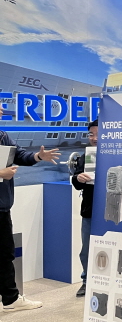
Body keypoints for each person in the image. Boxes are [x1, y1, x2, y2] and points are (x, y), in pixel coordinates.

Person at [0, 108, 60, 313]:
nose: (1, 110)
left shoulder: (2, 136)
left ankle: (10, 299)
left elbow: (19, 154)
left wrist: (38, 156)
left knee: (4, 254)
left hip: (1, 207)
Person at [70, 120, 98, 297]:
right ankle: (86, 281)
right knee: (87, 249)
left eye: (98, 134)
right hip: (89, 211)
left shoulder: (119, 156)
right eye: (91, 134)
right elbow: (76, 182)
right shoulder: (86, 156)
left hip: (113, 211)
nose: (94, 138)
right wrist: (78, 178)